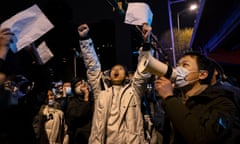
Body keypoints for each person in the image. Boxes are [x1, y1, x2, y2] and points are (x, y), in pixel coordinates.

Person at [78, 22, 152, 143]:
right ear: (108, 76)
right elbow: (92, 67)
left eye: (120, 69)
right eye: (113, 69)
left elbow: (143, 72)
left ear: (127, 76)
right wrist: (85, 39)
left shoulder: (134, 92)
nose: (116, 70)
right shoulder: (101, 91)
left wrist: (146, 44)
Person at [154, 51, 240, 144]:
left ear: (202, 74)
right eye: (177, 65)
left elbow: (202, 138)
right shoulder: (177, 100)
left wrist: (169, 97)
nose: (178, 69)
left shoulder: (222, 103)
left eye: (185, 65)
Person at [65, 77, 93, 144]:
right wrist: (86, 97)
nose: (81, 86)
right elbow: (79, 115)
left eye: (81, 83)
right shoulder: (72, 102)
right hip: (79, 137)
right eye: (77, 85)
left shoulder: (91, 99)